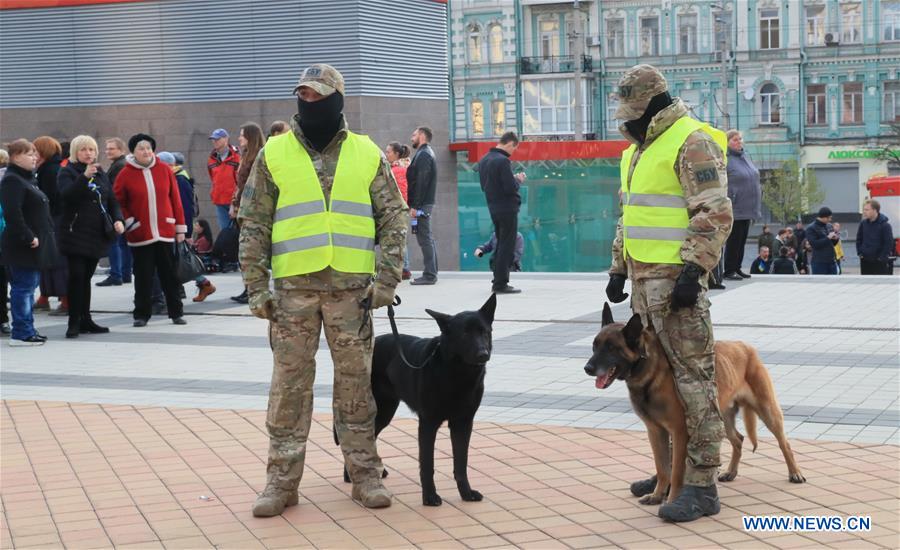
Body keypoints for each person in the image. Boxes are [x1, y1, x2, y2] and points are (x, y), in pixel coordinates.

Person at [238, 63, 407, 517]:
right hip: (292, 292)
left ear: (337, 99)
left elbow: (395, 216)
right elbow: (253, 222)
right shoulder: (274, 152)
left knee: (356, 387)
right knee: (289, 387)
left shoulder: (366, 152)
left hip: (351, 291)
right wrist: (255, 287)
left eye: (317, 96)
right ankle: (281, 481)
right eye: (303, 95)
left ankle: (365, 474)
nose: (309, 103)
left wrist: (387, 278)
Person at [606, 65, 731, 522]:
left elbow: (714, 210)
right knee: (656, 382)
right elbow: (630, 215)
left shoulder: (691, 139)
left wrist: (692, 272)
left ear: (655, 103)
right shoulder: (637, 150)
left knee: (695, 385)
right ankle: (667, 474)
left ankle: (701, 484)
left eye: (636, 111)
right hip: (642, 287)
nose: (630, 120)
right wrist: (618, 266)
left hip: (677, 287)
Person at [114, 134, 188, 326]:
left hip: (165, 230)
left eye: (148, 148)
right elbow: (118, 201)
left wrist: (180, 228)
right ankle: (141, 314)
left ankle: (176, 312)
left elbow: (176, 200)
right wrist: (130, 221)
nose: (146, 152)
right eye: (141, 148)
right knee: (143, 276)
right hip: (140, 233)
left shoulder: (164, 169)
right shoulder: (125, 173)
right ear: (133, 152)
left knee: (169, 275)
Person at [57, 135, 125, 338]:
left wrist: (118, 218)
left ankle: (86, 319)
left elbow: (112, 199)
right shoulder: (66, 171)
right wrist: (84, 176)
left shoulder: (100, 172)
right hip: (75, 232)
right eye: (84, 150)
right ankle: (74, 321)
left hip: (96, 233)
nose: (89, 153)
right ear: (75, 152)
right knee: (76, 277)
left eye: (92, 150)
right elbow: (67, 195)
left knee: (85, 278)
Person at [0, 139, 57, 346]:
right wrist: (28, 235)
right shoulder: (13, 180)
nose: (35, 157)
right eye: (29, 154)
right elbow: (12, 213)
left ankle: (28, 328)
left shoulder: (27, 179)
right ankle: (21, 333)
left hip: (34, 243)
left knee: (29, 287)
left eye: (35, 154)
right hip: (22, 245)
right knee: (23, 288)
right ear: (15, 157)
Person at [159, 152, 216, 302]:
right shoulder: (175, 177)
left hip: (177, 228)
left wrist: (187, 232)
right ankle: (200, 285)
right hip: (173, 226)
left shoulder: (180, 180)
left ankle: (203, 284)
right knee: (179, 260)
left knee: (181, 260)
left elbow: (185, 208)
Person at [479, 131, 526, 294]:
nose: (513, 152)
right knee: (507, 245)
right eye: (514, 148)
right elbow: (509, 187)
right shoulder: (503, 161)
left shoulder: (484, 160)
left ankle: (497, 277)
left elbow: (485, 186)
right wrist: (517, 180)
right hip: (507, 209)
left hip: (493, 207)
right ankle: (500, 283)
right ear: (510, 144)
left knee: (501, 242)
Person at [229, 122, 265, 304]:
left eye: (242, 135)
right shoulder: (245, 155)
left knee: (252, 251)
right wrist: (234, 204)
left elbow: (253, 185)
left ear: (250, 136)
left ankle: (253, 289)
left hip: (254, 209)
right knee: (246, 252)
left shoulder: (258, 157)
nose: (239, 138)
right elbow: (239, 185)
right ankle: (248, 288)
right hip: (243, 207)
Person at [32, 136, 68, 316]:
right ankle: (46, 296)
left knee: (55, 259)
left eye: (35, 151)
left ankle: (64, 299)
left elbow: (51, 198)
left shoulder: (49, 170)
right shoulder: (51, 168)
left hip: (54, 220)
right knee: (49, 258)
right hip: (53, 219)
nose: (33, 154)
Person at [723, 130, 761, 281]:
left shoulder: (745, 156)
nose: (739, 142)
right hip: (735, 205)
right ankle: (729, 270)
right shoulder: (725, 158)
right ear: (726, 142)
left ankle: (737, 267)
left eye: (740, 139)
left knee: (742, 239)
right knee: (734, 240)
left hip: (748, 206)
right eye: (734, 139)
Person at [96, 137, 132, 287]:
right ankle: (124, 274)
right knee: (122, 243)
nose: (108, 151)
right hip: (122, 208)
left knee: (114, 242)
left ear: (121, 150)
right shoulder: (120, 164)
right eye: (107, 148)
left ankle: (117, 274)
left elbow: (113, 190)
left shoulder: (119, 166)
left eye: (112, 148)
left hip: (117, 209)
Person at [406, 126, 438, 285]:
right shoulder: (424, 153)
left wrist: (415, 206)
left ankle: (430, 275)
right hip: (423, 203)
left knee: (424, 238)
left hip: (422, 205)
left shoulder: (424, 155)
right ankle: (431, 272)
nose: (411, 138)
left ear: (422, 136)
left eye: (414, 134)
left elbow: (421, 182)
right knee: (427, 238)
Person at [385, 141, 412, 280]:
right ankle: (404, 267)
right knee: (400, 237)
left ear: (396, 154)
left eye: (388, 152)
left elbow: (398, 191)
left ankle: (404, 268)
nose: (386, 154)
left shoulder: (397, 170)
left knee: (397, 238)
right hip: (403, 207)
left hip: (397, 207)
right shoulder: (405, 167)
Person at [207, 128, 241, 232]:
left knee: (238, 231)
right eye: (213, 139)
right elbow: (213, 178)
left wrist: (235, 202)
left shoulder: (236, 156)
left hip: (235, 200)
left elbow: (241, 179)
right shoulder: (211, 159)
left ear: (226, 139)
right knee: (225, 232)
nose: (215, 142)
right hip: (220, 201)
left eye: (217, 139)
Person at [857, 199, 894, 275]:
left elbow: (889, 243)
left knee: (880, 285)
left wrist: (881, 258)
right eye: (864, 209)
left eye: (867, 210)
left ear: (875, 210)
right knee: (866, 284)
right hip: (865, 261)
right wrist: (860, 253)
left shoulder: (885, 225)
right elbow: (859, 239)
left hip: (879, 263)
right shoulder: (863, 224)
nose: (864, 212)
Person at [805, 207, 839, 275]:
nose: (830, 220)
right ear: (823, 217)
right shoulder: (811, 228)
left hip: (832, 261)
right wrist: (828, 238)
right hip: (819, 263)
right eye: (829, 218)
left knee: (834, 284)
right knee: (820, 284)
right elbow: (815, 245)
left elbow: (832, 244)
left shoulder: (829, 226)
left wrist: (836, 239)